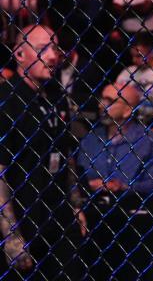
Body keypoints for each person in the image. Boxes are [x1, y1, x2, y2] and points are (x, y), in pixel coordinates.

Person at [0, 25, 81, 279]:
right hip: (24, 216)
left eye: (55, 48)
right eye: (42, 48)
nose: (53, 56)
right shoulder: (7, 101)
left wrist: (76, 206)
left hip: (57, 216)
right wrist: (11, 236)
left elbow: (66, 155)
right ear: (20, 54)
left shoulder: (57, 95)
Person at [77, 81, 153, 280]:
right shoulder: (90, 139)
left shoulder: (148, 141)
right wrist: (89, 185)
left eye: (110, 101)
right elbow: (77, 176)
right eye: (102, 98)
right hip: (93, 220)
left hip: (132, 224)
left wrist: (124, 187)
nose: (102, 105)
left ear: (127, 110)